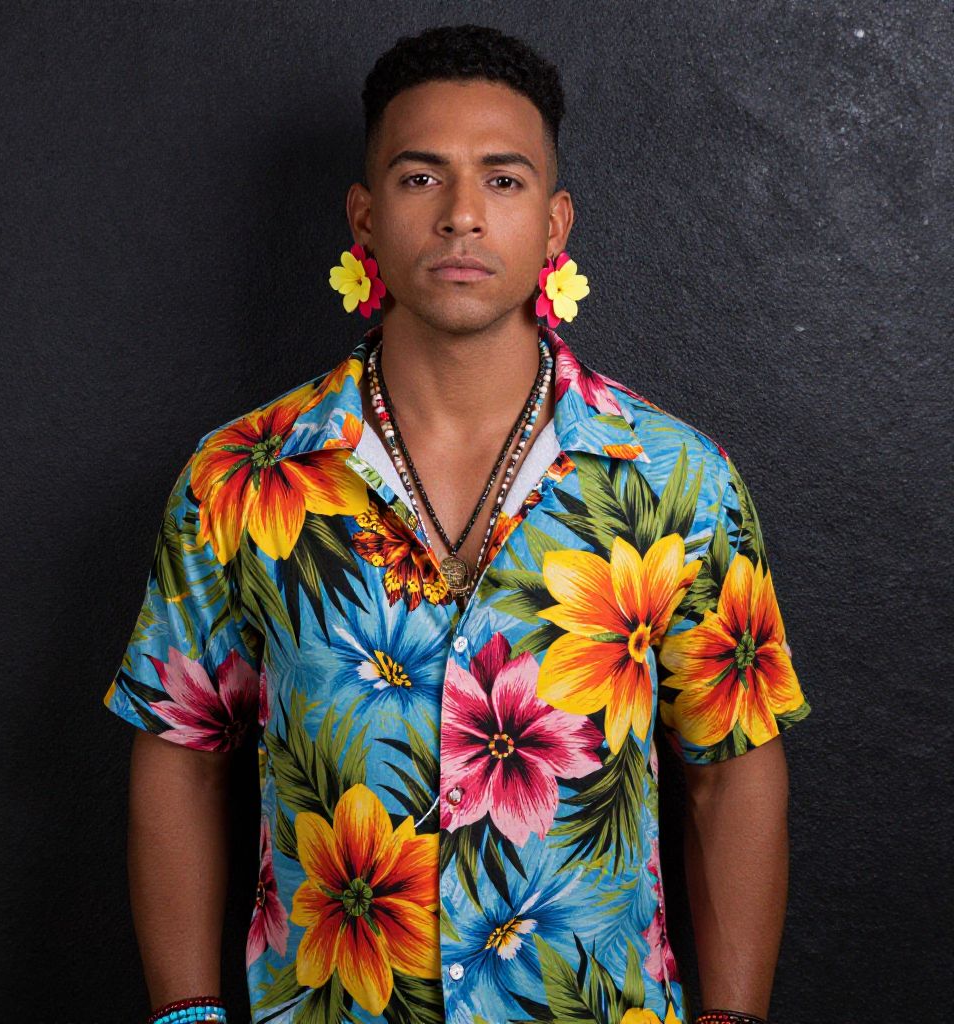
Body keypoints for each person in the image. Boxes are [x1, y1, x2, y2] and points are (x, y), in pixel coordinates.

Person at [103, 23, 811, 1024]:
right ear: (365, 214)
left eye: (504, 180)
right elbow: (180, 752)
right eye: (421, 178)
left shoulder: (674, 479)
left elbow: (731, 772)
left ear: (556, 223)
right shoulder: (241, 478)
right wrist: (186, 1013)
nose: (463, 216)